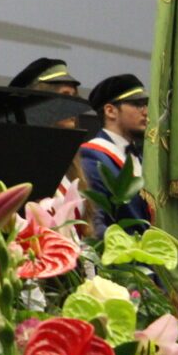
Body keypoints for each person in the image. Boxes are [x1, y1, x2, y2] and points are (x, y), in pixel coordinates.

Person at [9, 57, 92, 236]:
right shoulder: (21, 163)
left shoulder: (68, 165)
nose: (73, 105)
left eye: (74, 97)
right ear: (39, 103)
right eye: (64, 96)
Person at [79, 73, 151, 237]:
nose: (146, 112)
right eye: (137, 104)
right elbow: (94, 223)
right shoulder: (91, 155)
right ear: (110, 111)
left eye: (146, 105)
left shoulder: (141, 158)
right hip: (119, 252)